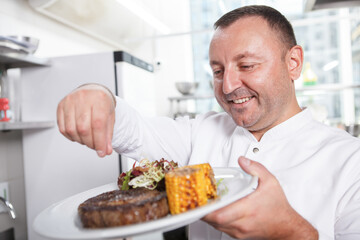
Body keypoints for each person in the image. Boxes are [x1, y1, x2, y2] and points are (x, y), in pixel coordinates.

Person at [57, 5, 360, 240]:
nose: (227, 86)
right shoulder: (200, 132)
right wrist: (98, 94)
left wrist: (292, 231)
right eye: (217, 70)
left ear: (293, 63)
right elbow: (132, 130)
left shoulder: (350, 162)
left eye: (247, 65)